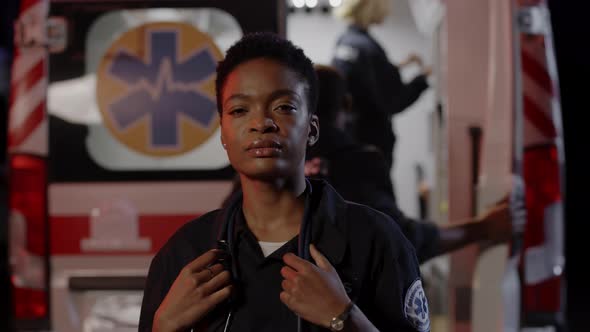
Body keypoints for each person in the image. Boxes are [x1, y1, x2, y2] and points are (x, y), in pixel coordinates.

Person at [139, 33, 430, 332]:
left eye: (284, 107)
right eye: (239, 110)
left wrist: (344, 317)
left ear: (312, 129)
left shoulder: (374, 240)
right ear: (223, 134)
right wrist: (162, 327)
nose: (261, 123)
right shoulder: (186, 252)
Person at [306, 65, 511, 264]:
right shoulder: (358, 163)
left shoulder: (288, 163)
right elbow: (400, 242)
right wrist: (482, 228)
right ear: (347, 104)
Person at [331, 0, 431, 171]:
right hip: (372, 143)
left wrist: (398, 66)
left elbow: (362, 79)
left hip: (352, 137)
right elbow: (394, 100)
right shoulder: (367, 47)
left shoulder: (346, 41)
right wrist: (421, 80)